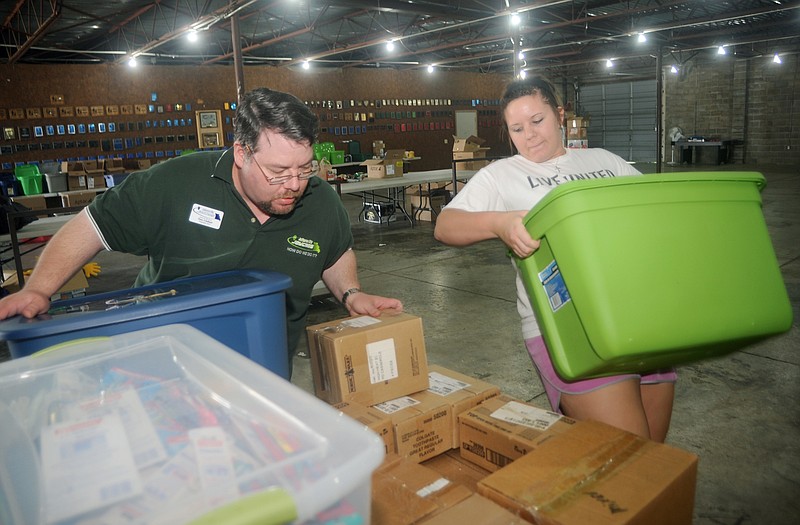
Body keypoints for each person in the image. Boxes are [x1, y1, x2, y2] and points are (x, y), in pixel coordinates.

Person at [0, 87, 402, 375]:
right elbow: (91, 227)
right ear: (241, 153)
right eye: (279, 172)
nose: (295, 183)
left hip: (263, 366)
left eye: (305, 167)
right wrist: (39, 289)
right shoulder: (174, 184)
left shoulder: (319, 200)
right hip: (166, 368)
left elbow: (333, 252)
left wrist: (351, 292)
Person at [434, 76, 675, 442]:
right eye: (516, 128)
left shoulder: (605, 160)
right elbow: (446, 225)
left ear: (559, 115)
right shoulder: (501, 176)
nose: (528, 135)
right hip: (564, 323)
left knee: (656, 460)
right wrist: (498, 223)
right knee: (630, 450)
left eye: (537, 120)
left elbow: (652, 209)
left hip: (636, 316)